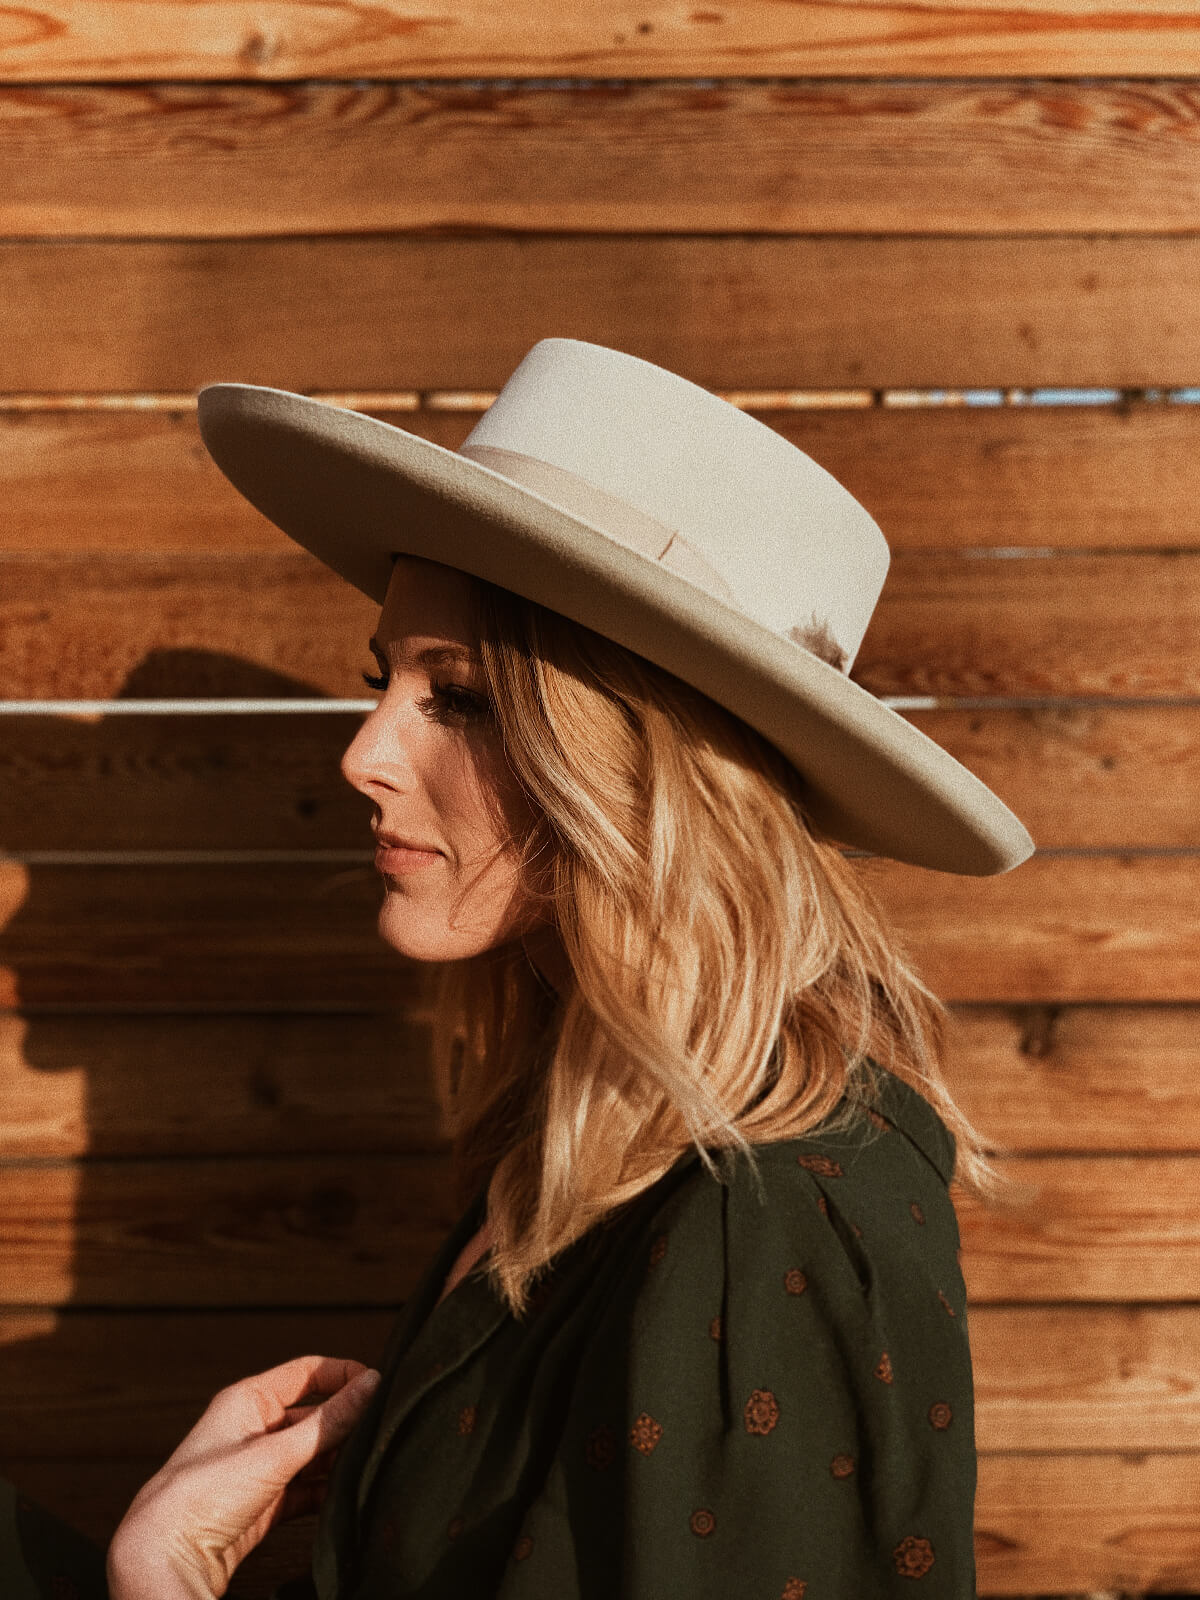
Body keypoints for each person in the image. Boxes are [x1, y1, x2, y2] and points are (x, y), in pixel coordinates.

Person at [3, 338, 1033, 1598]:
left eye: (467, 699)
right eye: (386, 680)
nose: (363, 754)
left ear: (647, 774)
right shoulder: (588, 1138)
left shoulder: (762, 1222)